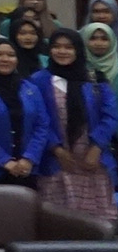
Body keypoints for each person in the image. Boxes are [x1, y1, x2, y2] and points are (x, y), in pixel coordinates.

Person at [42, 26, 117, 220]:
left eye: (69, 47)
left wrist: (96, 148)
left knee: (99, 224)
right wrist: (57, 150)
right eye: (57, 47)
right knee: (61, 222)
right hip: (58, 163)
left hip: (93, 161)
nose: (62, 51)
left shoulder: (95, 79)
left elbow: (111, 115)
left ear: (78, 50)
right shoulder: (39, 81)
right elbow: (39, 120)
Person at [0, 36, 55, 185]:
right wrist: (4, 161)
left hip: (25, 169)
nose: (5, 59)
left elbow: (42, 125)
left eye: (11, 55)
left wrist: (29, 158)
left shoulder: (30, 88)